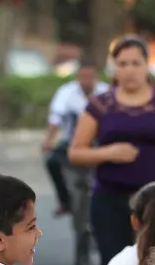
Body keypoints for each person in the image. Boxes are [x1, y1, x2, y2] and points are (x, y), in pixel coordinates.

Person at [69, 35, 155, 265]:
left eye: (136, 63)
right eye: (123, 64)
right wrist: (108, 153)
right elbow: (75, 153)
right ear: (114, 68)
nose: (129, 70)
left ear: (147, 65)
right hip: (109, 199)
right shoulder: (99, 105)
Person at [42, 61, 109, 218]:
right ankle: (64, 200)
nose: (86, 81)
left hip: (100, 144)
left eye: (90, 76)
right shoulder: (66, 93)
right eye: (83, 76)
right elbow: (55, 118)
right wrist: (48, 141)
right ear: (77, 77)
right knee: (52, 161)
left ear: (96, 77)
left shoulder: (106, 93)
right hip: (72, 143)